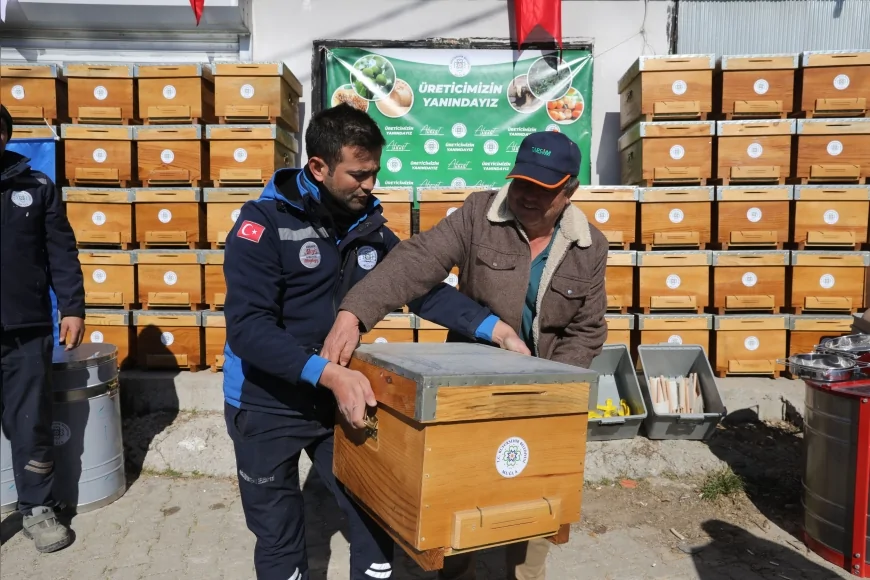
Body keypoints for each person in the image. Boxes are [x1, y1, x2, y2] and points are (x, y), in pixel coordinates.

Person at [221, 103, 525, 580]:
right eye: (358, 174)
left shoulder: (370, 230)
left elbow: (420, 289)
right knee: (279, 538)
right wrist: (327, 373)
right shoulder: (263, 225)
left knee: (374, 517)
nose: (370, 185)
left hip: (338, 401)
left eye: (375, 173)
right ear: (318, 167)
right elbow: (248, 329)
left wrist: (493, 328)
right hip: (266, 403)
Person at [323, 130, 609, 580]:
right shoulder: (479, 213)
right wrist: (356, 311)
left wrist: (552, 386)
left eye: (543, 189)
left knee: (535, 509)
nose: (527, 196)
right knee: (458, 502)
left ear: (569, 190)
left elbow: (587, 329)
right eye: (522, 182)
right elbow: (417, 260)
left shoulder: (589, 245)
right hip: (470, 393)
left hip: (545, 394)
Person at [1, 103, 85, 553]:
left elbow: (61, 251)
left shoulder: (35, 187)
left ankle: (37, 508)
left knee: (31, 423)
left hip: (26, 329)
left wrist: (72, 307)